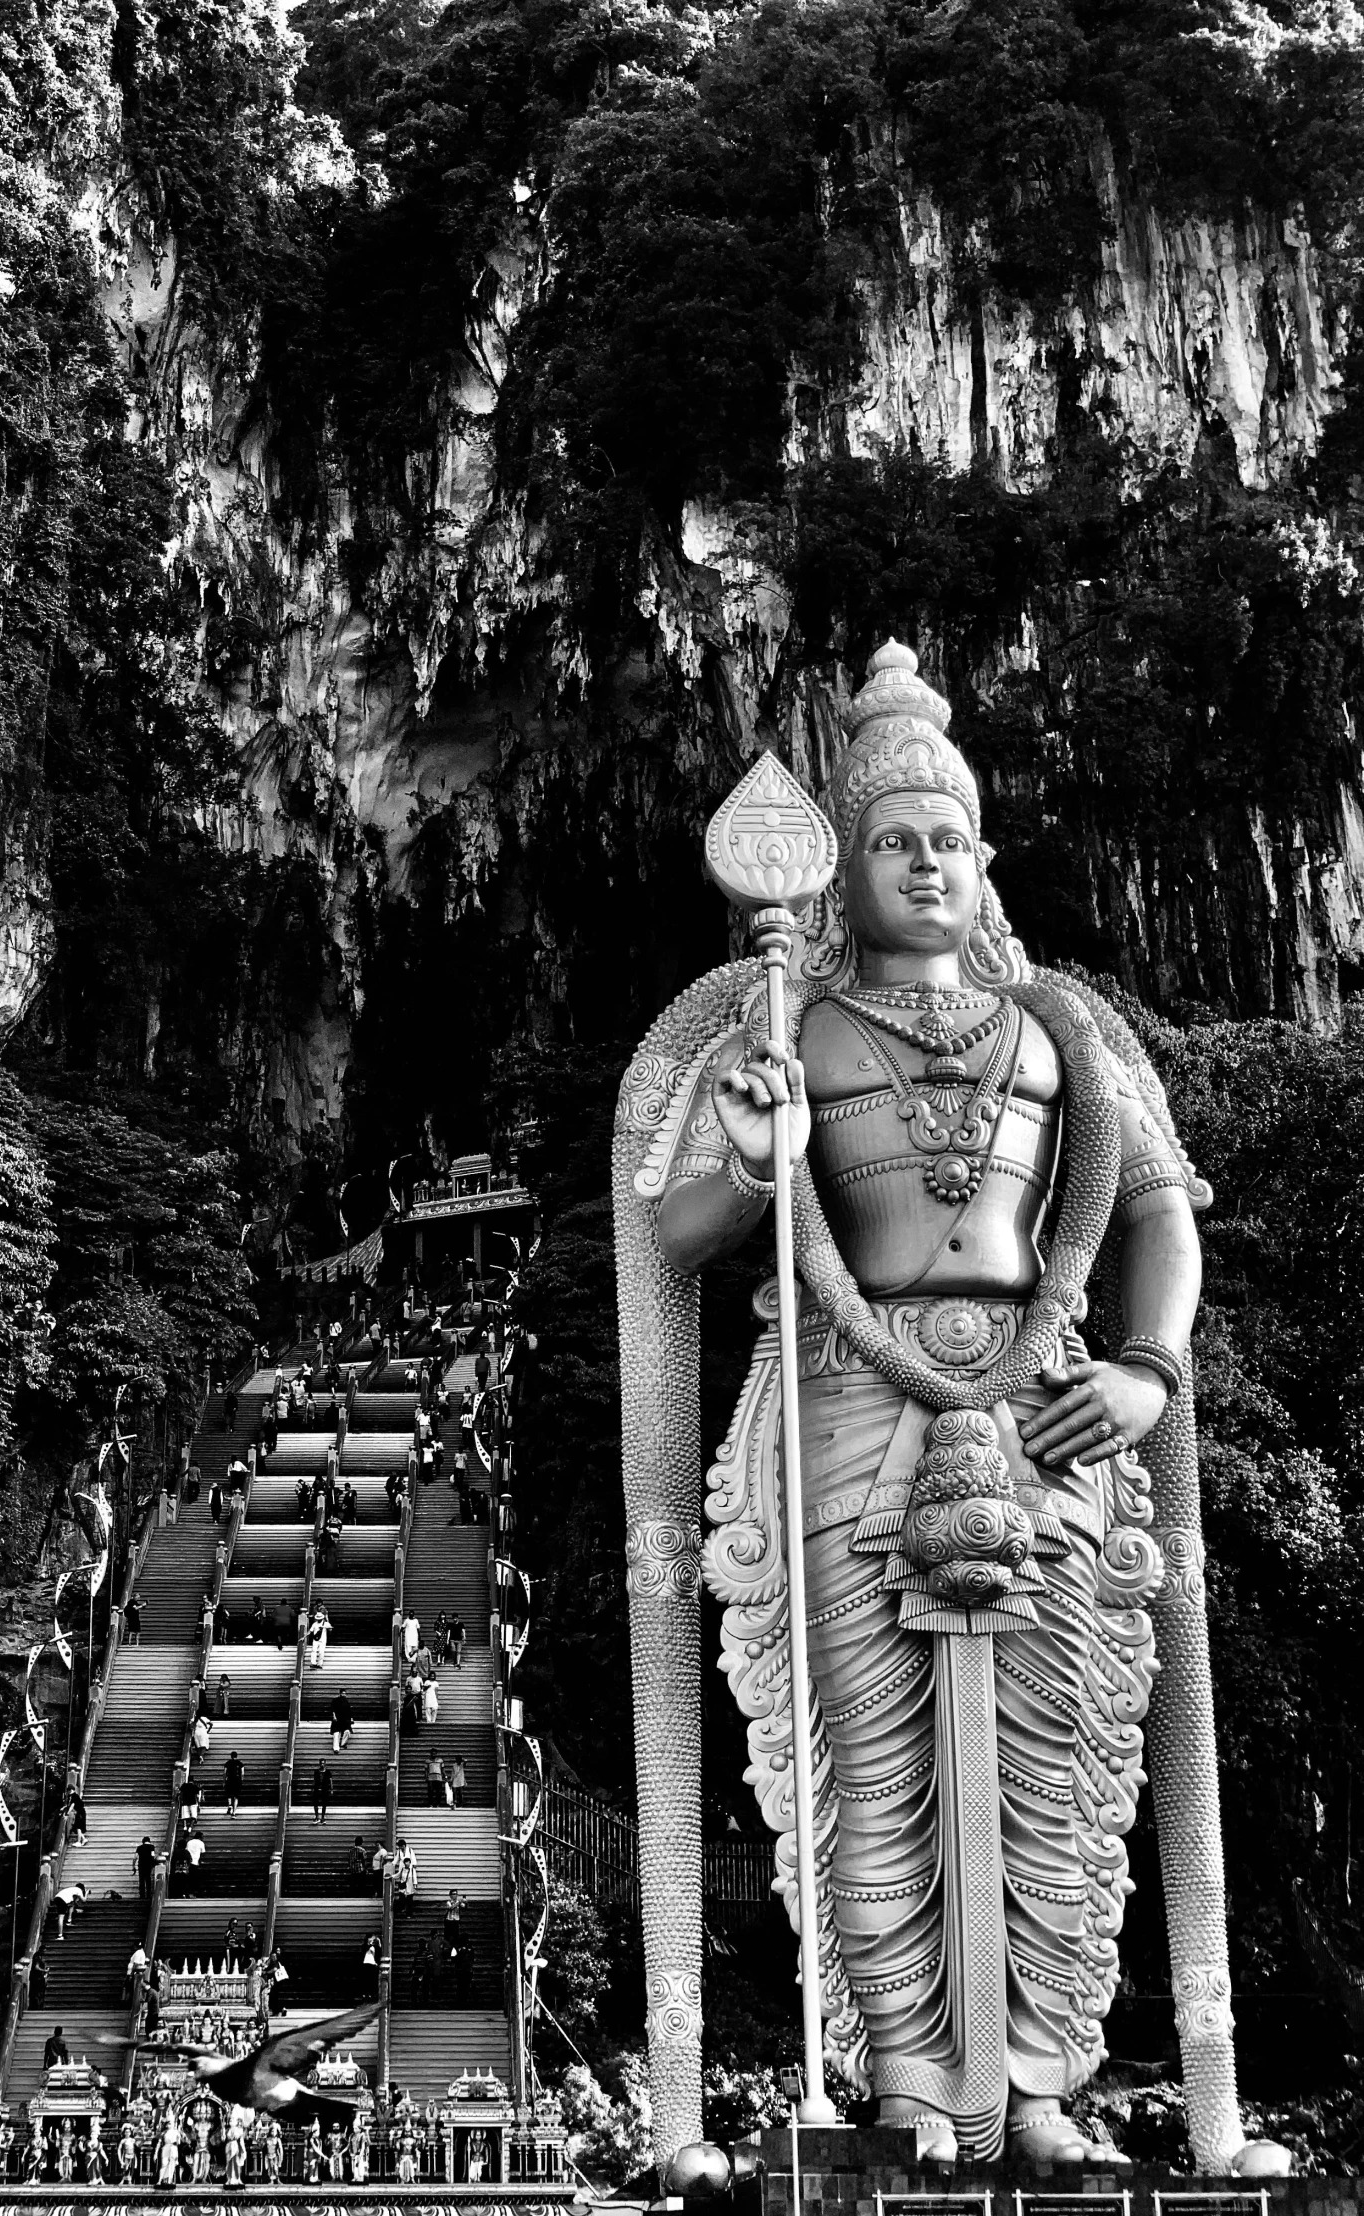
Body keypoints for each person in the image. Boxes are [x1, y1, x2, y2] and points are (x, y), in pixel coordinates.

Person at [623, 642, 1236, 2172]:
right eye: (891, 840)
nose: (923, 865)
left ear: (982, 860)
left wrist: (1142, 1368)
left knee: (1062, 1732)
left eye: (945, 841)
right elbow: (677, 1236)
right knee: (865, 1749)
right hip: (844, 1391)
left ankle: (1037, 2085)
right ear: (843, 868)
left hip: (1046, 1398)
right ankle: (903, 2081)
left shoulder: (1064, 1035)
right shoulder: (781, 1030)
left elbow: (1159, 1213)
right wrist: (760, 1154)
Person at [305, 1603, 331, 1671]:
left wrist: (326, 1627)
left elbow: (330, 1629)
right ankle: (313, 1663)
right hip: (315, 1639)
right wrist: (304, 1637)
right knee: (313, 1651)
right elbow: (310, 1631)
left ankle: (320, 1664)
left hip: (323, 1639)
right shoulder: (314, 1624)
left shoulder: (325, 1623)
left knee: (321, 1652)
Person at [133, 1835, 157, 1906]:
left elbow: (135, 1857)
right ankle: (148, 1894)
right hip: (148, 1865)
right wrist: (153, 1864)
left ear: (143, 1841)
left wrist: (133, 1866)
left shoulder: (139, 1847)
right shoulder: (152, 1847)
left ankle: (142, 1895)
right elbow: (152, 1856)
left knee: (141, 1879)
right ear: (149, 1841)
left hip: (141, 1865)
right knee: (148, 1879)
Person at [182, 1822, 206, 1893]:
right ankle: (194, 1891)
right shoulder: (201, 1843)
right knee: (195, 1878)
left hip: (188, 1862)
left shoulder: (189, 1842)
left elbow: (186, 1850)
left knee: (188, 1878)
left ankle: (187, 1892)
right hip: (195, 1862)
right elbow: (203, 1853)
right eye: (202, 1837)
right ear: (200, 1837)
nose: (203, 1838)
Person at [361, 1931, 383, 1998]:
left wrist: (379, 1942)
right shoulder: (365, 1946)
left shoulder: (374, 1946)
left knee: (372, 1979)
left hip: (372, 1963)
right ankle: (365, 1993)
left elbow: (379, 1951)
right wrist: (369, 1944)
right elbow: (363, 1950)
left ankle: (371, 1993)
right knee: (366, 1979)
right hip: (366, 1963)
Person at [224, 1749, 244, 1818]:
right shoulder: (240, 1763)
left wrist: (224, 1781)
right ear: (236, 1756)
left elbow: (224, 1773)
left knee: (229, 1793)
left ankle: (229, 1804)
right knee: (236, 1797)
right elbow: (243, 1773)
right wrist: (241, 1780)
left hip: (229, 1780)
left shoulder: (227, 1763)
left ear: (231, 1756)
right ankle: (234, 1813)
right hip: (237, 1781)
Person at [312, 1760, 333, 1824]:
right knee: (315, 1803)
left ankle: (323, 1818)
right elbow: (314, 1780)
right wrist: (313, 1788)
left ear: (325, 1764)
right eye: (321, 1763)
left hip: (325, 1789)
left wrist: (331, 1789)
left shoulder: (328, 1772)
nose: (322, 1765)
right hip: (317, 1788)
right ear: (319, 1764)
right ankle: (317, 1817)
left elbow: (331, 1780)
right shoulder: (316, 1772)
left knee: (324, 1804)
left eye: (323, 1763)